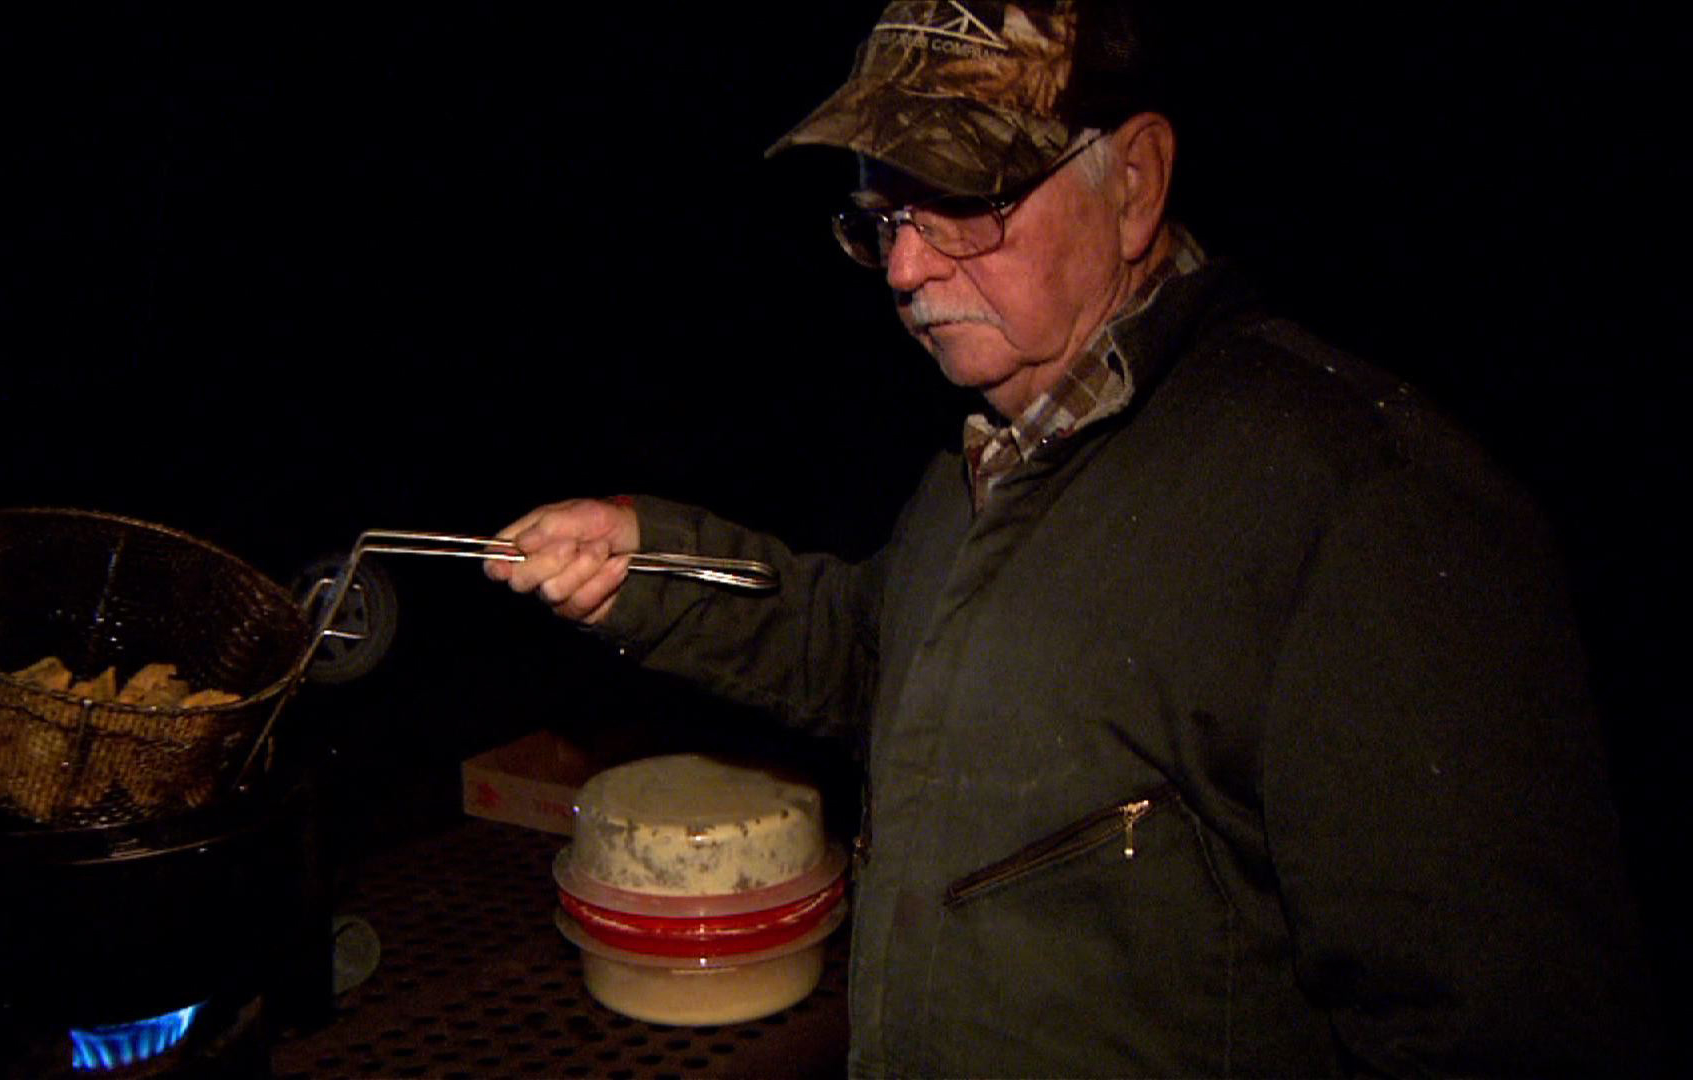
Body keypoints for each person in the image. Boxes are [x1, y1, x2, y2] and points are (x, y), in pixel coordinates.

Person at [485, 2, 1656, 1075]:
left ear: (1135, 183)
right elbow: (880, 656)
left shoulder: (1363, 504)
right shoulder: (995, 449)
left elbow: (1505, 1030)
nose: (903, 268)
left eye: (960, 201)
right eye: (879, 217)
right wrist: (652, 563)